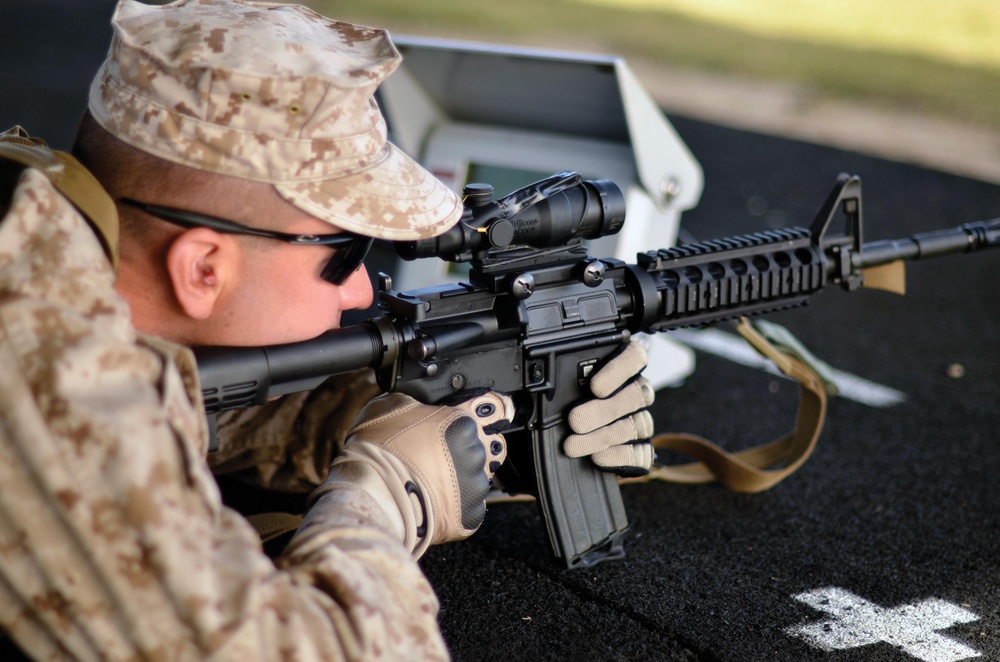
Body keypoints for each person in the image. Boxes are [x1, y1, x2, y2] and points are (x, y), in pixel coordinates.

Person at [0, 1, 654, 659]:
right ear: (202, 267)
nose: (364, 288)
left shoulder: (44, 235)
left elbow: (212, 416)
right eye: (345, 252)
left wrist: (479, 417)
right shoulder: (45, 373)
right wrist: (387, 496)